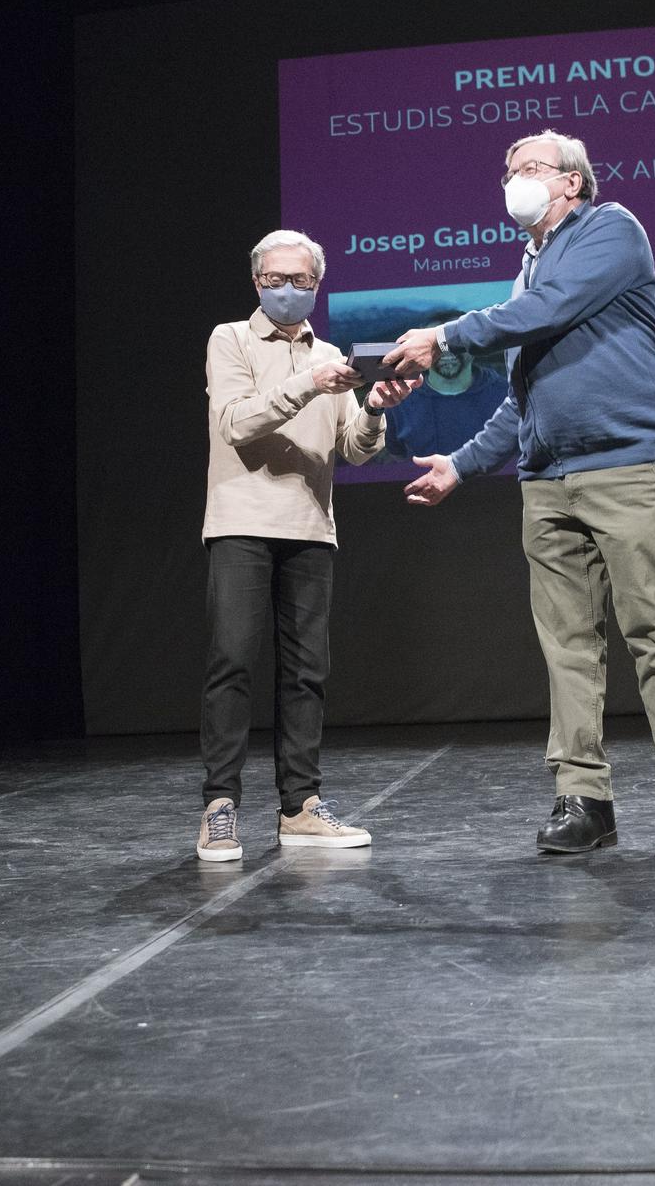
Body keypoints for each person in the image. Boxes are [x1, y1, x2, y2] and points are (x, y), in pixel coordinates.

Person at [386, 131, 655, 854]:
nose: (515, 180)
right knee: (568, 646)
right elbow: (522, 396)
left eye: (531, 168)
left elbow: (552, 309)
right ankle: (584, 800)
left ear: (571, 182)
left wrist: (445, 337)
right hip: (546, 481)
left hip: (625, 466)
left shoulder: (611, 231)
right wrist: (461, 463)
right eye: (508, 171)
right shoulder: (526, 275)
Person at [198, 229, 418, 862]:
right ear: (256, 283)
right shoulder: (230, 340)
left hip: (311, 528)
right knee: (232, 662)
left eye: (299, 281)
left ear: (317, 287)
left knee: (306, 674)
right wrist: (309, 385)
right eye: (274, 280)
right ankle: (220, 807)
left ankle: (299, 807)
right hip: (241, 522)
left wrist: (373, 407)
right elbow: (236, 422)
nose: (286, 290)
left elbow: (353, 449)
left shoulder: (333, 356)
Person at [382, 333, 511, 462]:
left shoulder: (507, 394)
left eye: (456, 343)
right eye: (437, 344)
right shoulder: (400, 399)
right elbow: (395, 454)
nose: (447, 351)